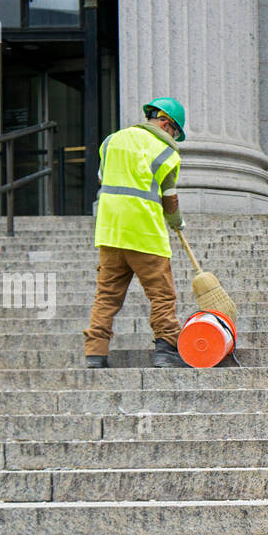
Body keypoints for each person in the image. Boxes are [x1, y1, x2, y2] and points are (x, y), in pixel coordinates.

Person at [83, 97, 188, 368]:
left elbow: (102, 178)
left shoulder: (111, 141)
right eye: (174, 131)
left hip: (110, 233)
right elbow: (170, 198)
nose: (173, 137)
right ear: (166, 124)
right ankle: (165, 352)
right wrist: (177, 222)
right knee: (162, 296)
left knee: (106, 296)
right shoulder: (166, 152)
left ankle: (95, 353)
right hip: (145, 235)